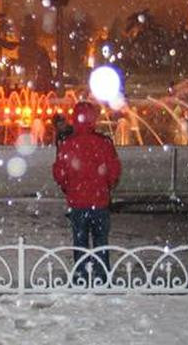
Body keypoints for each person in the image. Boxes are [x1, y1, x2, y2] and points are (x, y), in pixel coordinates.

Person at [53, 101, 121, 284]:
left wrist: (68, 186)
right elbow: (114, 170)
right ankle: (102, 276)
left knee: (80, 242)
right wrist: (106, 185)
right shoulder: (103, 142)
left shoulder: (68, 144)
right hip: (100, 201)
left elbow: (59, 172)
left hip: (77, 202)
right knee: (101, 242)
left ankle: (81, 276)